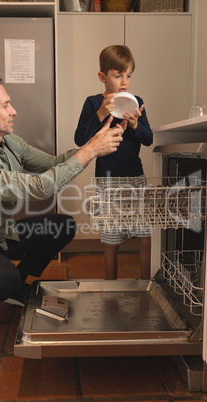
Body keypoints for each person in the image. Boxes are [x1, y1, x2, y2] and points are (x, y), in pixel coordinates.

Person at [0, 72, 124, 330]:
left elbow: (53, 163)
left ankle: (17, 285)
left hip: (2, 236)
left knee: (64, 225)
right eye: (5, 105)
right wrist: (90, 150)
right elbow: (40, 188)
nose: (13, 111)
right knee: (3, 279)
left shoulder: (9, 142)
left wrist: (92, 144)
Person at [75, 45, 153, 280]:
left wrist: (135, 125)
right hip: (108, 182)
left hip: (136, 178)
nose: (124, 82)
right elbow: (80, 138)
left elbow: (149, 139)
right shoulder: (93, 103)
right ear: (103, 77)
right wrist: (100, 113)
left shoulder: (137, 102)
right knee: (111, 241)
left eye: (128, 75)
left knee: (146, 236)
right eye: (117, 75)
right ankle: (111, 285)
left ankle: (146, 283)